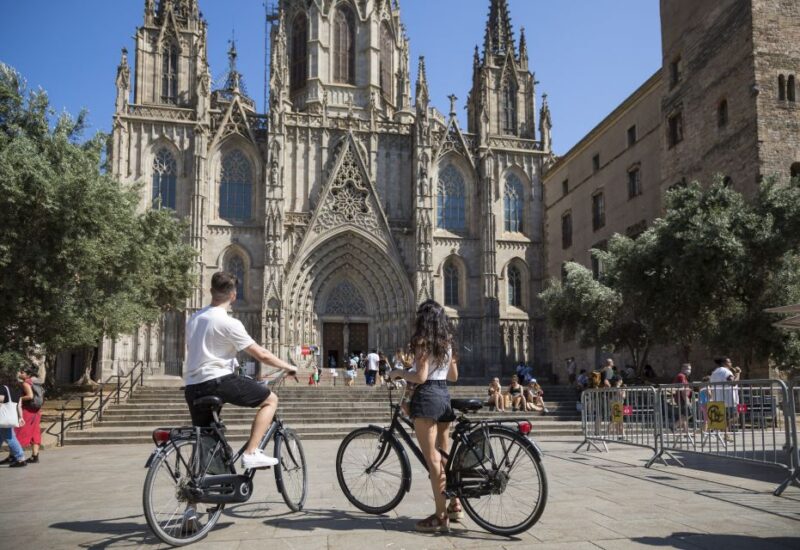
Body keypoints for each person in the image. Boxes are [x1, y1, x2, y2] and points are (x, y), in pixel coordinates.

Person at [184, 272, 297, 471]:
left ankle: (201, 485)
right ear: (234, 295)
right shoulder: (229, 323)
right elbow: (262, 354)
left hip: (192, 387)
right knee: (270, 400)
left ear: (211, 291)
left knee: (207, 438)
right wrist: (288, 366)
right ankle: (251, 452)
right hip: (217, 381)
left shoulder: (193, 318)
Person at [390, 300, 460, 533]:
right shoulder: (446, 342)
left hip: (428, 396)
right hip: (444, 396)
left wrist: (398, 372)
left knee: (433, 459)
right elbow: (453, 376)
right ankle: (454, 504)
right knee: (444, 454)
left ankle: (440, 517)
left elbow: (420, 377)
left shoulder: (423, 341)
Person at [14, 366, 42, 463]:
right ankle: (35, 456)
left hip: (28, 411)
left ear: (28, 375)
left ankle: (14, 456)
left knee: (19, 432)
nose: (19, 373)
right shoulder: (36, 383)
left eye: (22, 372)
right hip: (36, 411)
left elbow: (30, 396)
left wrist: (18, 398)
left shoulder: (26, 383)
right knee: (35, 433)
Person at [0, 378, 26, 468]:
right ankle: (20, 458)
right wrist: (21, 417)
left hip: (3, 419)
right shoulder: (17, 391)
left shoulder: (3, 388)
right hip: (9, 419)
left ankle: (20, 458)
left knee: (10, 438)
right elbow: (19, 406)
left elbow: (0, 401)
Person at [710, 357, 739, 428]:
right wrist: (738, 373)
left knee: (724, 418)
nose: (731, 363)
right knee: (736, 416)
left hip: (717, 399)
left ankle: (725, 431)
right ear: (724, 363)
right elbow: (733, 383)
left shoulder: (714, 372)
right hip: (729, 400)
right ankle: (724, 427)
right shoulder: (726, 371)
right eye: (729, 362)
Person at [672, 364, 692, 432]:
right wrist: (686, 400)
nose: (689, 371)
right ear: (683, 369)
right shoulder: (681, 376)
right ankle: (674, 426)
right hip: (682, 398)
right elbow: (683, 389)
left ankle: (686, 431)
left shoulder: (683, 376)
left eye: (690, 369)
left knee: (684, 414)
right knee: (688, 414)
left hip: (681, 398)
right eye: (688, 369)